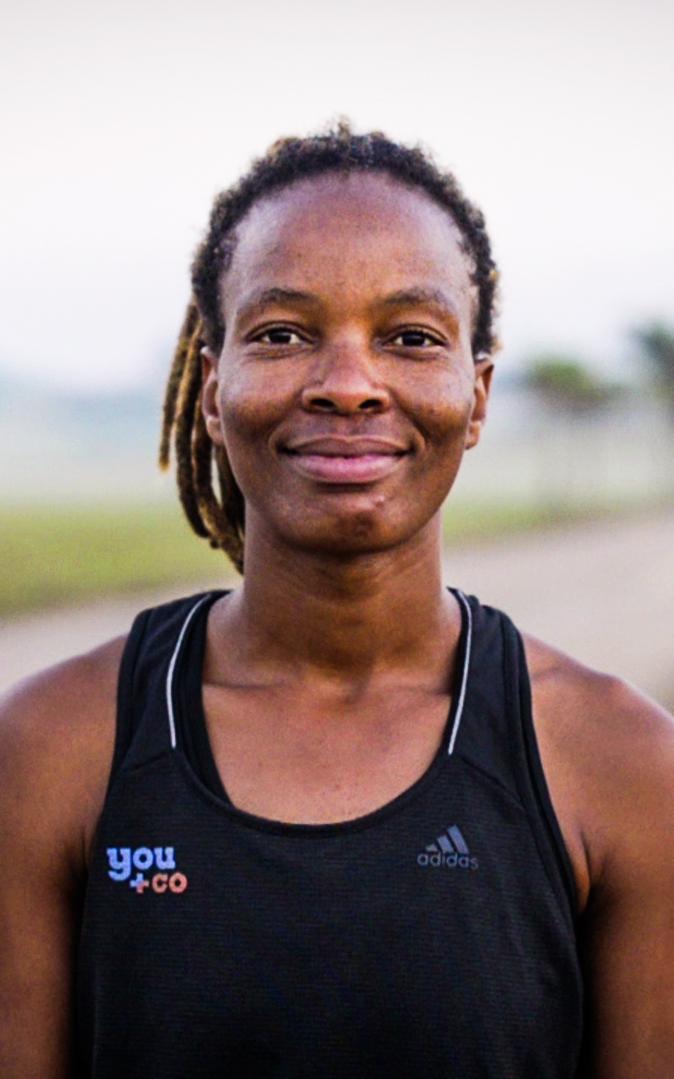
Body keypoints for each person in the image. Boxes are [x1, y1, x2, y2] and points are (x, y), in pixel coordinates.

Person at [1, 123, 673, 1079]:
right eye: (281, 334)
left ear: (476, 395)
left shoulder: (626, 767)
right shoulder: (50, 748)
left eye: (410, 337)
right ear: (210, 389)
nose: (349, 384)